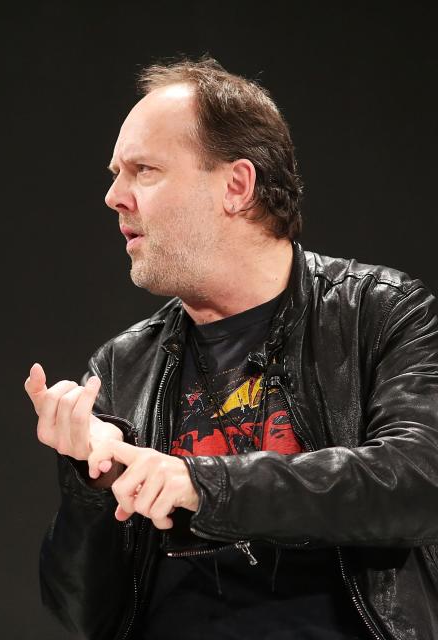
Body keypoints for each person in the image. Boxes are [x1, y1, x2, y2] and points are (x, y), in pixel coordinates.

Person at [25, 57, 438, 640]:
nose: (114, 195)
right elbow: (81, 611)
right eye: (117, 172)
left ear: (236, 186)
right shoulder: (123, 366)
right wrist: (88, 485)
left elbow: (417, 482)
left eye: (144, 170)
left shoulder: (379, 312)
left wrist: (202, 483)